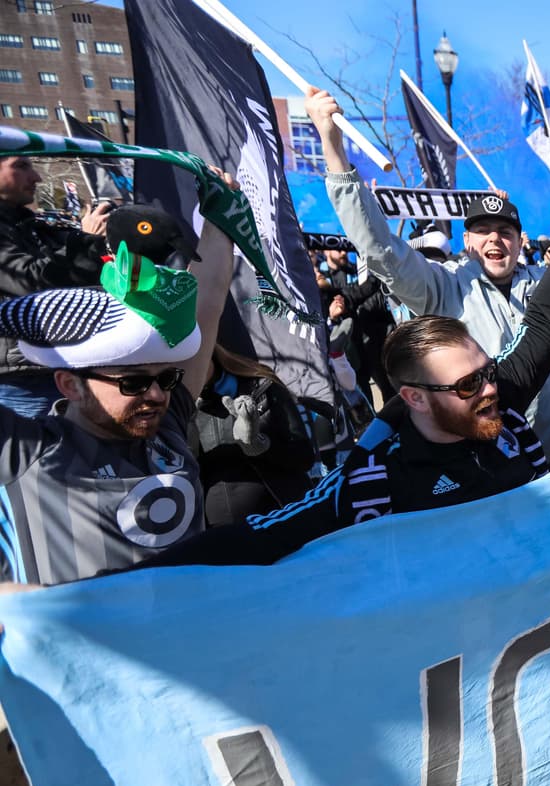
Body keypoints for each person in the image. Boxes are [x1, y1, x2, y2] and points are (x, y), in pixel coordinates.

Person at [135, 163, 550, 786]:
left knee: (546, 729)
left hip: (524, 629)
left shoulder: (501, 409)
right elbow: (259, 537)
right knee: (458, 774)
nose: (491, 390)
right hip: (437, 664)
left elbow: (545, 324)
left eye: (485, 374)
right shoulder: (372, 480)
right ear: (414, 399)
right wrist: (99, 594)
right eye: (467, 386)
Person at [306, 87, 550, 446]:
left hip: (542, 457)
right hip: (477, 460)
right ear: (467, 242)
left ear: (518, 241)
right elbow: (380, 247)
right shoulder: (440, 288)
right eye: (483, 231)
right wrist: (334, 150)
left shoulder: (545, 285)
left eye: (505, 232)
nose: (494, 240)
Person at [0, 188, 235, 584]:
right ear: (70, 385)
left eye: (165, 378)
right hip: (83, 643)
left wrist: (221, 215)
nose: (158, 395)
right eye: (133, 382)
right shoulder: (23, 450)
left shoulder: (167, 428)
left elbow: (208, 302)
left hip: (188, 638)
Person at [0, 155, 114, 416]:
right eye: (21, 165)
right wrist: (84, 239)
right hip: (22, 382)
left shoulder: (27, 223)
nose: (37, 177)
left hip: (56, 366)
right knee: (35, 456)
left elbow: (76, 280)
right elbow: (29, 283)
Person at [193, 345, 317, 526]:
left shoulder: (261, 385)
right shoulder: (173, 409)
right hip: (221, 535)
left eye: (193, 360)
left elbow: (304, 457)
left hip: (284, 516)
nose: (190, 372)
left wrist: (261, 444)